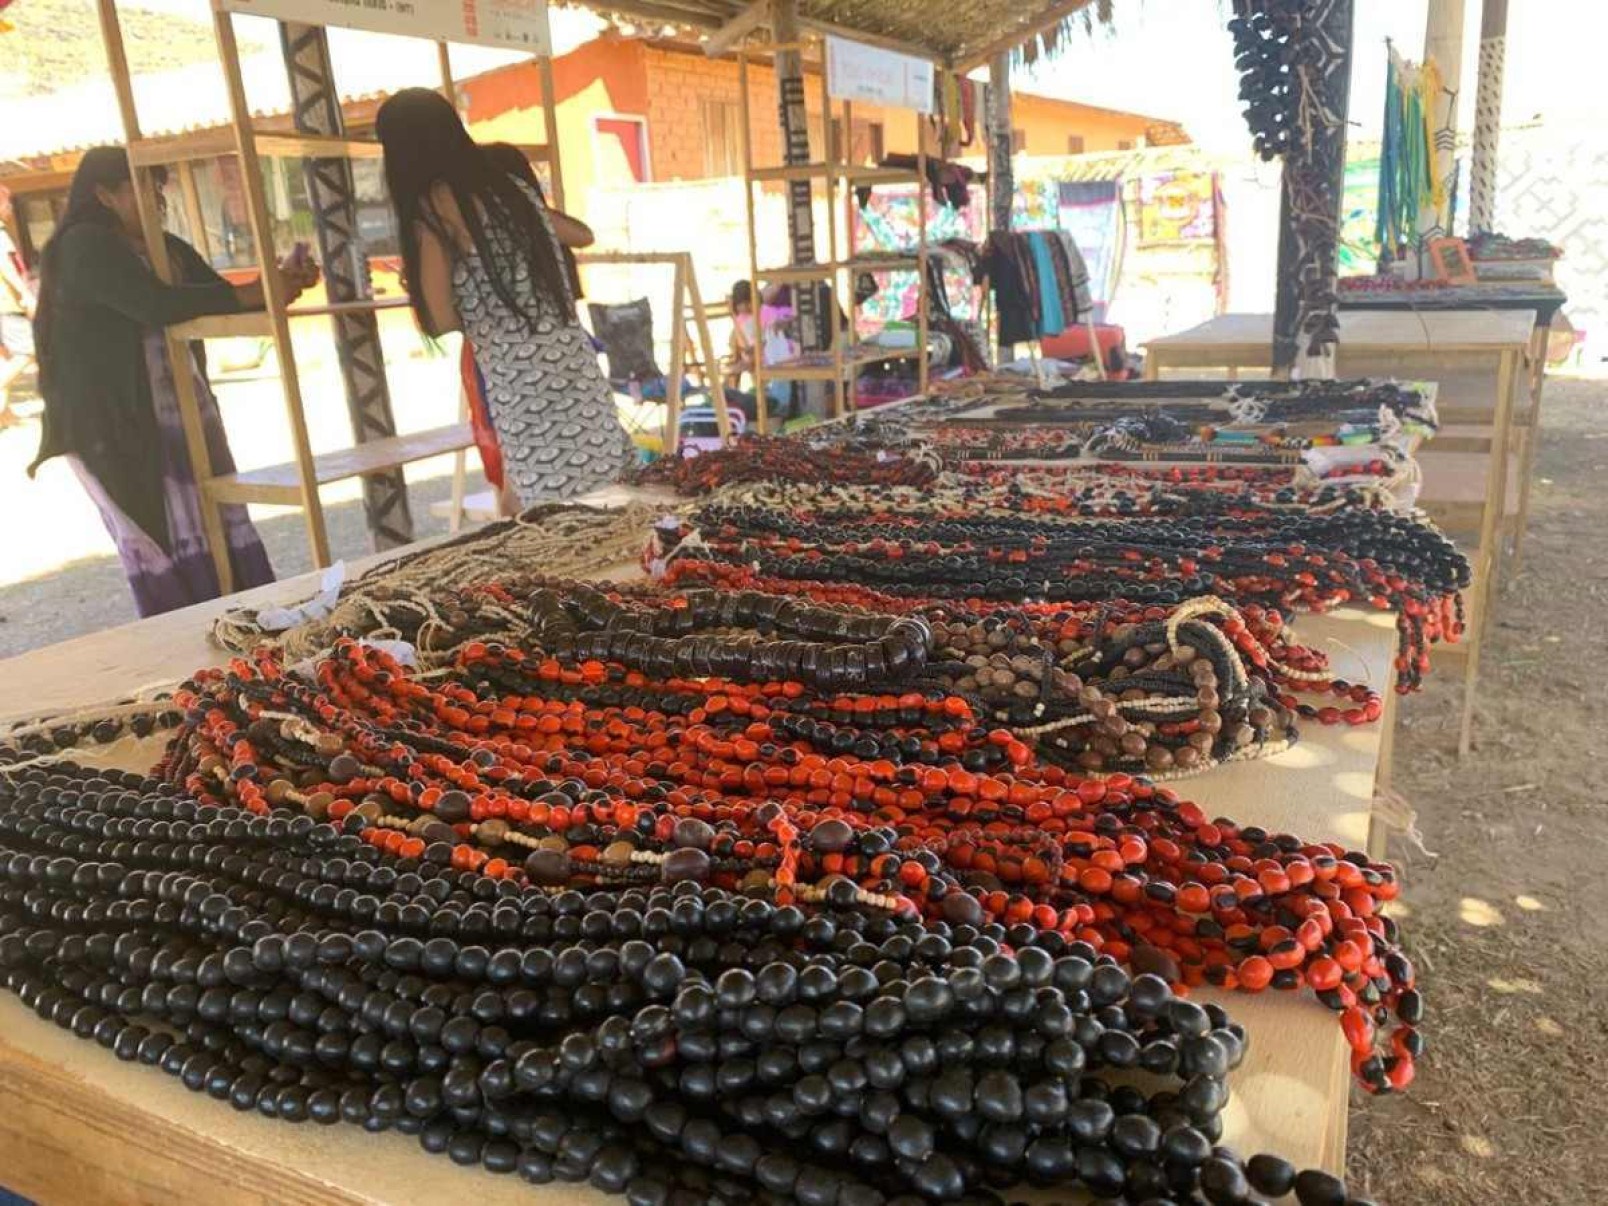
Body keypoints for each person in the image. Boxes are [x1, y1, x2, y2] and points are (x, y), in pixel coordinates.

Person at [28, 147, 319, 617]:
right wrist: (258, 288)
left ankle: (242, 628)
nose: (157, 200)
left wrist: (281, 283)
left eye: (158, 188)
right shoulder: (83, 245)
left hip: (181, 412)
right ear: (104, 194)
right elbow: (155, 305)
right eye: (143, 188)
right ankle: (190, 649)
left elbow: (219, 297)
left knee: (216, 522)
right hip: (116, 426)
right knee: (159, 539)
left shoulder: (164, 248)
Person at [375, 89, 632, 516]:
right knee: (607, 509)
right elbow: (578, 234)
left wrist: (431, 282)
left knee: (561, 529)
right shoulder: (511, 190)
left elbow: (439, 318)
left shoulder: (433, 212)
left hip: (524, 396)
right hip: (578, 380)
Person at [459, 142, 595, 500]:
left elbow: (584, 234)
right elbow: (584, 235)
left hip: (514, 371)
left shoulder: (519, 231)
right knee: (525, 469)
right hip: (548, 368)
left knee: (517, 471)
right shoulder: (533, 234)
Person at [0, 186, 36, 429]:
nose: (10, 208)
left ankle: (4, 413)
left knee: (9, 356)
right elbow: (8, 267)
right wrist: (26, 295)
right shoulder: (0, 235)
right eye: (6, 203)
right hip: (8, 303)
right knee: (28, 351)